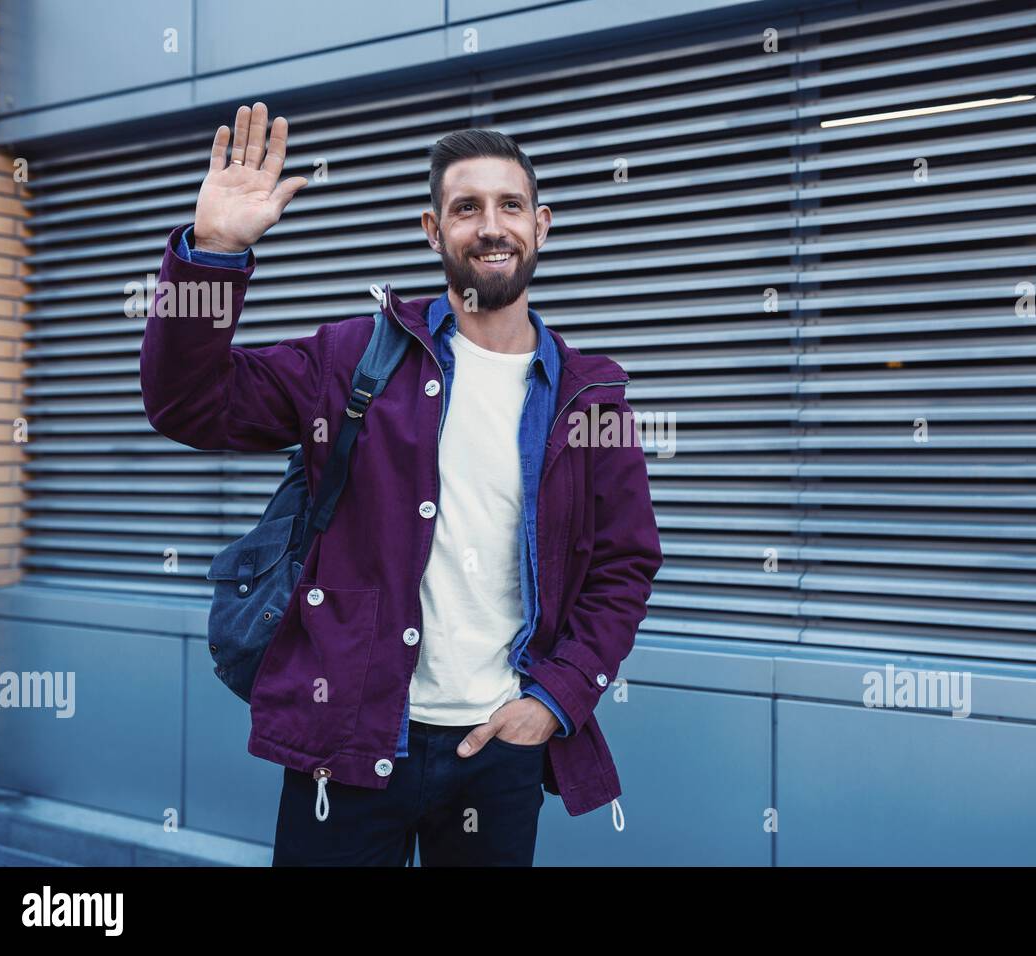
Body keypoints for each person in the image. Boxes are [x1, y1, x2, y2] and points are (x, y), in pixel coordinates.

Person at [139, 102, 663, 866]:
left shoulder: (593, 397)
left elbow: (626, 565)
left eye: (510, 206)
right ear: (432, 229)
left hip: (498, 753)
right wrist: (212, 254)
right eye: (466, 208)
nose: (491, 226)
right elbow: (187, 403)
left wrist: (555, 701)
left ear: (541, 226)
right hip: (348, 741)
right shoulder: (355, 358)